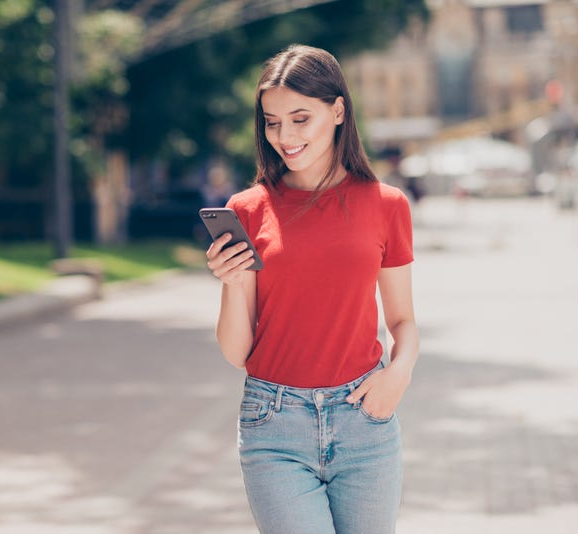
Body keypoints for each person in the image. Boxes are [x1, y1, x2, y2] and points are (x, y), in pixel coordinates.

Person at [205, 44, 419, 534]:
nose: (285, 136)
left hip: (364, 419)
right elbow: (237, 351)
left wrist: (398, 374)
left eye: (301, 119)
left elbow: (403, 320)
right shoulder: (246, 209)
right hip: (273, 424)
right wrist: (234, 284)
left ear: (338, 110)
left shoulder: (387, 205)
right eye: (272, 121)